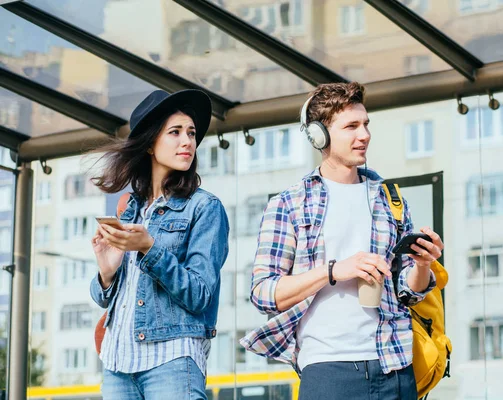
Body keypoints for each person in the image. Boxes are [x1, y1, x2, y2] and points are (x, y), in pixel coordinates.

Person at [240, 82, 444, 399]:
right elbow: (264, 294)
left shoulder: (390, 200)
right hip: (328, 371)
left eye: (365, 125)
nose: (364, 135)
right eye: (351, 126)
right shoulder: (289, 204)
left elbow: (409, 293)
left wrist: (422, 264)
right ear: (319, 135)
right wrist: (334, 270)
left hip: (394, 366)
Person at [89, 89, 229, 400]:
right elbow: (103, 298)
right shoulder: (131, 209)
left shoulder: (204, 208)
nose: (188, 142)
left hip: (172, 362)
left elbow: (201, 295)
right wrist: (106, 273)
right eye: (176, 132)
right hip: (117, 364)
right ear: (151, 143)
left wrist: (150, 249)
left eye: (191, 134)